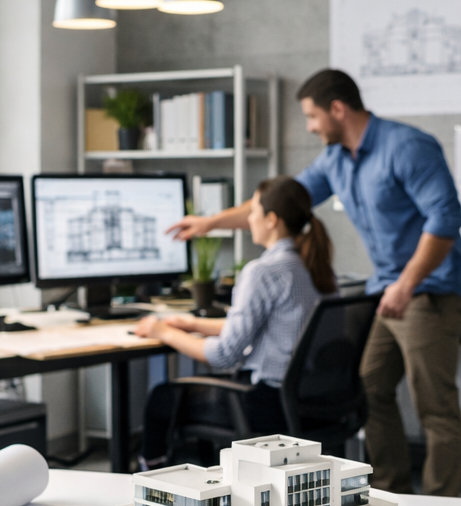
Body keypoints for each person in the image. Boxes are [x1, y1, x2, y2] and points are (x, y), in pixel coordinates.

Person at [168, 69, 461, 496]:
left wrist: (406, 284)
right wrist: (210, 223)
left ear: (337, 109)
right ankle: (391, 490)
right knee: (368, 387)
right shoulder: (336, 159)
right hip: (387, 288)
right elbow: (278, 204)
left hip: (429, 289)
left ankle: (443, 502)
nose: (309, 127)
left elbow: (445, 220)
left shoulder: (407, 147)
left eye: (312, 116)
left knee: (434, 406)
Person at [134, 176, 337, 468]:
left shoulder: (263, 271)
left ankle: (153, 486)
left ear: (271, 220)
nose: (248, 219)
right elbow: (272, 327)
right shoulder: (316, 267)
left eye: (253, 211)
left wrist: (161, 331)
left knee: (163, 397)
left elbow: (224, 355)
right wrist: (194, 325)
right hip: (310, 400)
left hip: (266, 405)